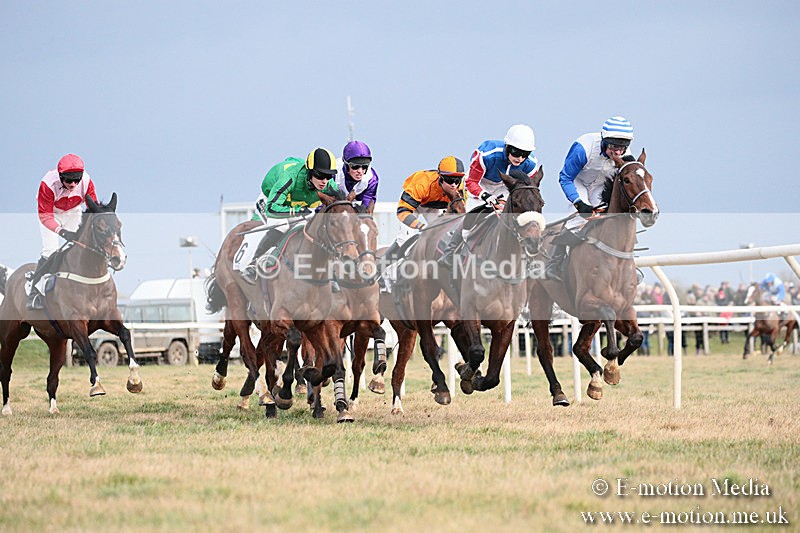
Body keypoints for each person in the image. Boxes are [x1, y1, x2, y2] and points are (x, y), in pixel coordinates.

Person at [543, 116, 635, 282]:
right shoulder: (583, 148)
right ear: (604, 140)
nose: (618, 152)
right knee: (578, 220)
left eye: (623, 147)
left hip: (600, 184)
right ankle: (553, 263)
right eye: (614, 146)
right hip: (578, 181)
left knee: (609, 218)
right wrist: (579, 203)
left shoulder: (626, 156)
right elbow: (565, 177)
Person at [438, 125, 540, 269]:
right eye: (516, 152)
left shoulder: (531, 165)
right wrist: (486, 196)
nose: (520, 158)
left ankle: (529, 260)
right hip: (481, 185)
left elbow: (525, 192)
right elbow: (471, 182)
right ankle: (450, 253)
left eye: (525, 154)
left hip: (507, 188)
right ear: (507, 147)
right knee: (471, 218)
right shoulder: (487, 155)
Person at [240, 147, 339, 284]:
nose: (324, 181)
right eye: (320, 176)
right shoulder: (290, 178)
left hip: (298, 203)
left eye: (328, 176)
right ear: (310, 172)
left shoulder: (329, 185)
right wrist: (297, 211)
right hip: (270, 200)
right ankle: (252, 265)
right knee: (281, 227)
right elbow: (271, 208)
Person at [26, 153, 98, 310]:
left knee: (76, 248)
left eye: (76, 180)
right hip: (51, 214)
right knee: (51, 251)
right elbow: (45, 216)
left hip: (73, 212)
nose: (73, 184)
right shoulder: (48, 184)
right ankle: (34, 291)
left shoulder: (86, 181)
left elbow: (93, 207)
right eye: (68, 180)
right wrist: (61, 231)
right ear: (60, 177)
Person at [383, 156, 465, 264]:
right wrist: (420, 226)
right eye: (450, 180)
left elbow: (460, 214)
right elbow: (403, 212)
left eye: (457, 180)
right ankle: (382, 268)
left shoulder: (460, 188)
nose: (454, 184)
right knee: (404, 238)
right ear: (440, 177)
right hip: (415, 206)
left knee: (446, 236)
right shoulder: (422, 183)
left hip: (434, 208)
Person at [335, 140, 379, 214]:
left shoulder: (372, 179)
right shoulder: (334, 173)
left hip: (357, 204)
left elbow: (366, 206)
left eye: (365, 166)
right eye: (355, 166)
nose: (360, 171)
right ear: (346, 165)